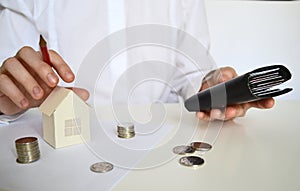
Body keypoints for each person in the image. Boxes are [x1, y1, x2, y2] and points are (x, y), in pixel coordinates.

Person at [0, 0, 274, 123]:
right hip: (68, 139)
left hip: (162, 136)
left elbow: (190, 71)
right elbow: (12, 77)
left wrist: (209, 87)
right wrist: (8, 102)